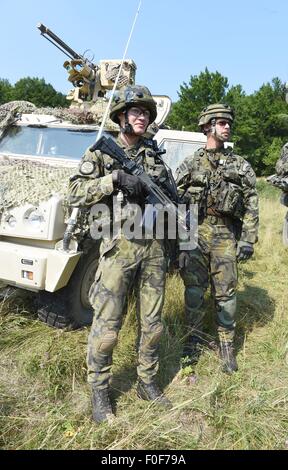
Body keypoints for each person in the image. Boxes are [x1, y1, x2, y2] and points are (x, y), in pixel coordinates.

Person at [68, 85, 174, 424]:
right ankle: (100, 392)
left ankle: (147, 382)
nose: (141, 116)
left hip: (155, 250)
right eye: (135, 111)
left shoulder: (155, 157)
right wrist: (113, 179)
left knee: (153, 325)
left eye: (145, 112)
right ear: (120, 117)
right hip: (117, 251)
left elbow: (171, 201)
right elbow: (73, 192)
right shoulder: (102, 154)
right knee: (108, 327)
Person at [176, 103, 259, 374]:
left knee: (226, 294)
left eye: (228, 123)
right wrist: (178, 241)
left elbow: (251, 202)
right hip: (195, 232)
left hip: (225, 233)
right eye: (222, 122)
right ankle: (192, 342)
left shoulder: (240, 164)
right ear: (207, 126)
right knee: (194, 292)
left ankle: (226, 347)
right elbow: (175, 203)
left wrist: (247, 239)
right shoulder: (190, 163)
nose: (227, 127)